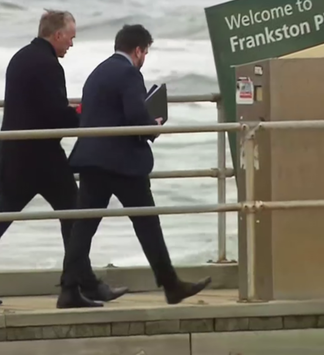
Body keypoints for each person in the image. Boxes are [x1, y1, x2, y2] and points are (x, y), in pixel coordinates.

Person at [0, 10, 127, 307]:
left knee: (4, 217)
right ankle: (75, 288)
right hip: (42, 159)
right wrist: (86, 113)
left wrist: (71, 111)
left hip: (15, 154)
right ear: (57, 34)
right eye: (70, 38)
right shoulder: (49, 65)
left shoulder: (20, 58)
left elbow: (37, 107)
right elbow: (55, 116)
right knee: (75, 217)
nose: (71, 45)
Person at [56, 24, 211, 309]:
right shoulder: (129, 73)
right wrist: (154, 125)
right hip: (122, 163)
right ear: (138, 50)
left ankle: (68, 290)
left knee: (84, 228)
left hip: (92, 159)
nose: (144, 58)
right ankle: (171, 285)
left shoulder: (98, 72)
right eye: (145, 52)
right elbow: (135, 117)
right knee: (147, 223)